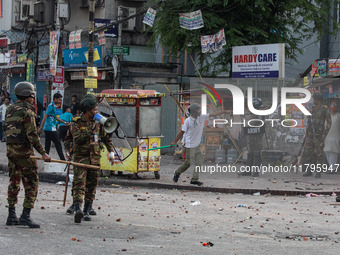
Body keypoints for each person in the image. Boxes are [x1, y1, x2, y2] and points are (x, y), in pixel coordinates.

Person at [5, 82, 51, 228]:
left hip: (11, 152)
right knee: (31, 183)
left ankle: (11, 215)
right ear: (28, 95)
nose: (33, 98)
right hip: (25, 154)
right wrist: (43, 154)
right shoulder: (28, 111)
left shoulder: (9, 109)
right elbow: (32, 135)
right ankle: (25, 216)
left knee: (14, 182)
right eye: (32, 95)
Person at [65, 95, 115, 223]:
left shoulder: (98, 123)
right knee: (79, 184)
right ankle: (77, 208)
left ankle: (87, 209)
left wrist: (111, 151)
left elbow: (105, 138)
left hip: (95, 158)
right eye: (94, 110)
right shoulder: (76, 122)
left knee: (92, 185)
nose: (97, 112)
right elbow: (77, 138)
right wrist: (91, 131)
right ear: (87, 111)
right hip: (81, 158)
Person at [171, 103, 226, 186]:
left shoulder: (201, 117)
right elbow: (182, 132)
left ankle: (194, 180)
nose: (200, 111)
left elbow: (213, 114)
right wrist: (174, 141)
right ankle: (177, 172)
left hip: (197, 145)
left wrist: (224, 111)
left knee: (199, 162)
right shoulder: (188, 121)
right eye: (198, 110)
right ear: (193, 112)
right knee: (188, 163)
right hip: (189, 146)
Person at [303, 92, 331, 178]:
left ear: (318, 100)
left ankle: (318, 171)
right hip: (310, 134)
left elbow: (329, 122)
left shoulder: (324, 109)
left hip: (318, 135)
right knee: (308, 152)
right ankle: (309, 170)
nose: (313, 100)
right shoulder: (313, 108)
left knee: (319, 154)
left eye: (315, 99)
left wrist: (325, 133)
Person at [38, 93, 68, 160]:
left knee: (47, 144)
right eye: (59, 100)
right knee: (58, 144)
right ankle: (63, 159)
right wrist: (40, 128)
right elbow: (45, 117)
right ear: (55, 99)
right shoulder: (50, 106)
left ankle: (46, 157)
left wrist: (64, 122)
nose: (60, 101)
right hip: (50, 128)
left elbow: (55, 118)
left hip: (49, 128)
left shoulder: (53, 106)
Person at [241, 97, 265, 177]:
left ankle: (256, 172)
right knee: (250, 152)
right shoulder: (255, 112)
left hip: (257, 135)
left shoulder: (258, 113)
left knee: (257, 153)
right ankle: (248, 170)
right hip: (252, 134)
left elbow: (254, 123)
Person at [324, 101, 340, 173]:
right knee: (327, 151)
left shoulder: (338, 116)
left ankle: (332, 168)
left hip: (336, 136)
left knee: (334, 152)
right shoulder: (327, 116)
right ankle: (331, 167)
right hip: (327, 136)